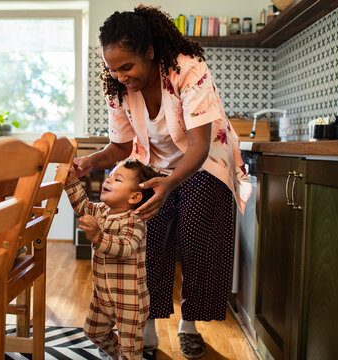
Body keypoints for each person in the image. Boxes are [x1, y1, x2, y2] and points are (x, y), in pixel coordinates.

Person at [73, 5, 252, 359]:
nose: (121, 76)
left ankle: (190, 324)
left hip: (205, 162)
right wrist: (89, 162)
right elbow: (121, 146)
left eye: (127, 67)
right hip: (153, 165)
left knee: (198, 236)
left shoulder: (187, 69)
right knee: (147, 236)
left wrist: (170, 184)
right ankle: (148, 325)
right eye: (113, 69)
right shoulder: (119, 89)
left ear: (150, 52)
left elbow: (199, 145)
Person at [65, 158, 160, 360]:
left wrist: (98, 237)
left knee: (130, 349)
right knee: (93, 331)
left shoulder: (135, 221)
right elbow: (82, 205)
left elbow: (126, 248)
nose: (108, 181)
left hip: (130, 299)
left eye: (117, 179)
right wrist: (72, 181)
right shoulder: (101, 211)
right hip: (102, 294)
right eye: (110, 176)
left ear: (134, 197)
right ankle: (118, 356)